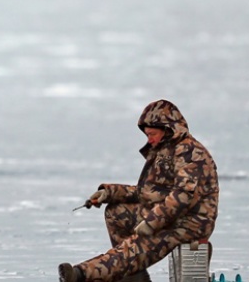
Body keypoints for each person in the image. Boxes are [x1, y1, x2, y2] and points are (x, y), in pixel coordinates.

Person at [58, 100, 219, 282]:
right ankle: (135, 277)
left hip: (189, 222)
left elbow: (182, 196)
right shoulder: (165, 151)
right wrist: (110, 193)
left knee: (136, 246)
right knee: (116, 213)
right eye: (147, 134)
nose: (149, 139)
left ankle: (82, 274)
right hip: (170, 216)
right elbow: (148, 192)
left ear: (168, 129)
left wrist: (152, 222)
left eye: (153, 134)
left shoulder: (190, 152)